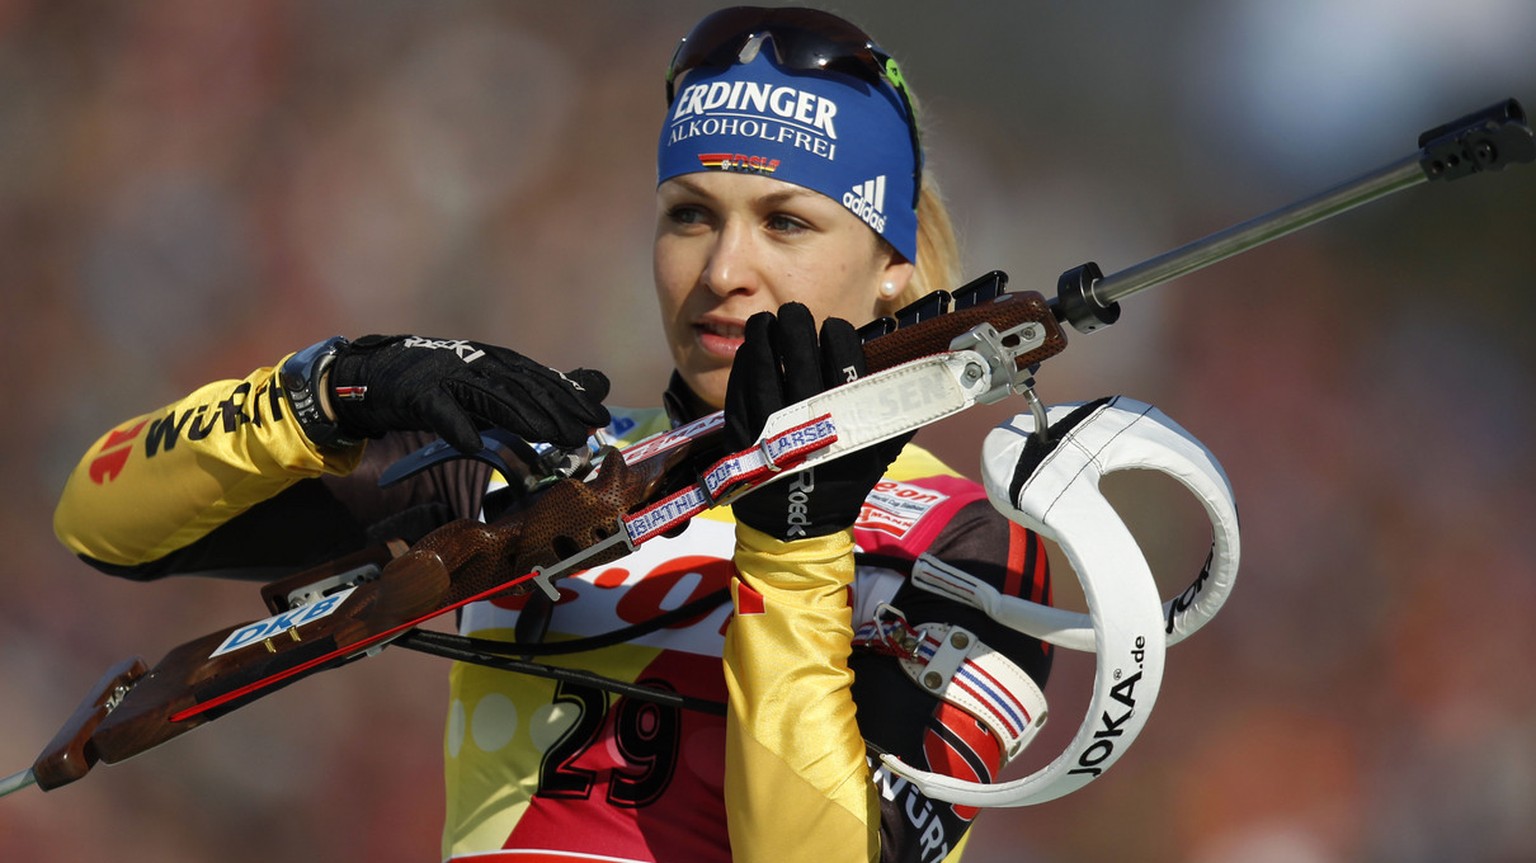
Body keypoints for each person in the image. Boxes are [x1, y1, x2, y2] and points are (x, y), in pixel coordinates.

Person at [52, 7, 1053, 862]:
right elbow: (102, 521)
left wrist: (794, 548)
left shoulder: (968, 540)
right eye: (691, 215)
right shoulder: (543, 472)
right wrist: (329, 390)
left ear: (893, 263)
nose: (722, 270)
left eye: (786, 222)